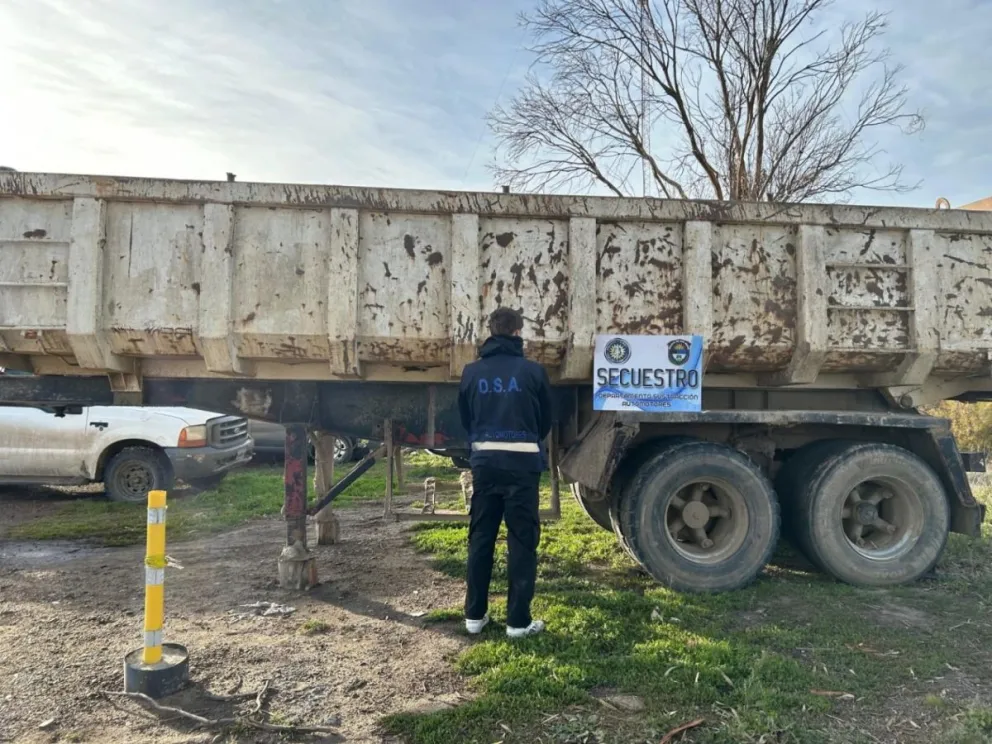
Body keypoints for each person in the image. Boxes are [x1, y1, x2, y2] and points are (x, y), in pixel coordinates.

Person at [457, 307, 553, 639]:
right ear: (517, 332)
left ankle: (474, 616)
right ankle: (517, 623)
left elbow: (465, 418)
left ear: (491, 331)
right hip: (523, 467)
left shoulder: (471, 373)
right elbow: (545, 420)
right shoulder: (534, 372)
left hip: (485, 465)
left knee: (481, 538)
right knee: (522, 542)